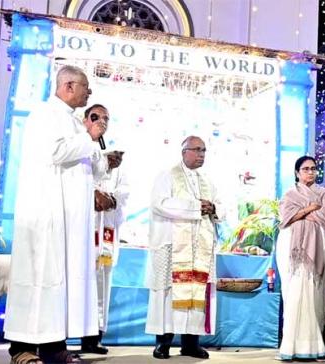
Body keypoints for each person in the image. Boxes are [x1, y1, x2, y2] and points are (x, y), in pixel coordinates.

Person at [4, 65, 117, 364]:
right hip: (46, 215)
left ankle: (55, 349)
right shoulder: (44, 114)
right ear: (68, 86)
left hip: (71, 220)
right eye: (85, 88)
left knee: (61, 283)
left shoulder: (76, 124)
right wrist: (90, 137)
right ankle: (22, 348)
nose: (89, 93)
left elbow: (89, 166)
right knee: (38, 278)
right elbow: (54, 153)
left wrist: (104, 158)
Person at [145, 135, 224, 360]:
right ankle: (163, 343)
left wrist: (214, 207)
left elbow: (224, 207)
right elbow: (160, 204)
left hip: (200, 247)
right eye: (197, 150)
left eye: (204, 150)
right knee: (169, 293)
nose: (201, 154)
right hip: (173, 245)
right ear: (184, 152)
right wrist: (195, 207)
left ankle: (191, 343)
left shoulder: (208, 181)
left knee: (197, 293)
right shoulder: (167, 176)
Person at [276, 156, 325, 362]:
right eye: (306, 169)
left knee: (314, 297)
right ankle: (290, 348)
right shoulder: (289, 194)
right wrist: (309, 209)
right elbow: (286, 218)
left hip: (318, 250)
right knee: (294, 295)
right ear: (297, 173)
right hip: (293, 252)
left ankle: (315, 347)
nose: (311, 172)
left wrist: (301, 214)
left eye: (313, 169)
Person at [79, 104, 128, 355]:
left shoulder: (114, 158)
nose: (102, 122)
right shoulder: (79, 150)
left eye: (107, 118)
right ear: (85, 120)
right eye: (96, 117)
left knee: (101, 283)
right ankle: (68, 336)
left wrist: (111, 199)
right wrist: (91, 194)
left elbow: (124, 191)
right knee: (78, 280)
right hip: (81, 230)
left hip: (104, 231)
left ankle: (94, 337)